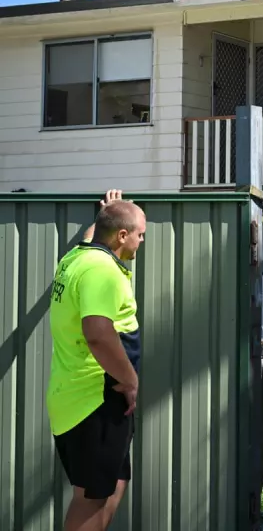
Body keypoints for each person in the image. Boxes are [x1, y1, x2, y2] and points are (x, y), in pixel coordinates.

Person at [46, 189, 145, 531]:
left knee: (114, 481)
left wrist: (106, 212)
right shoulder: (102, 271)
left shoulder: (77, 257)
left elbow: (93, 238)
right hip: (94, 400)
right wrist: (130, 381)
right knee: (91, 498)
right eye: (139, 233)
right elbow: (98, 333)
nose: (141, 240)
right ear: (122, 235)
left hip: (82, 396)